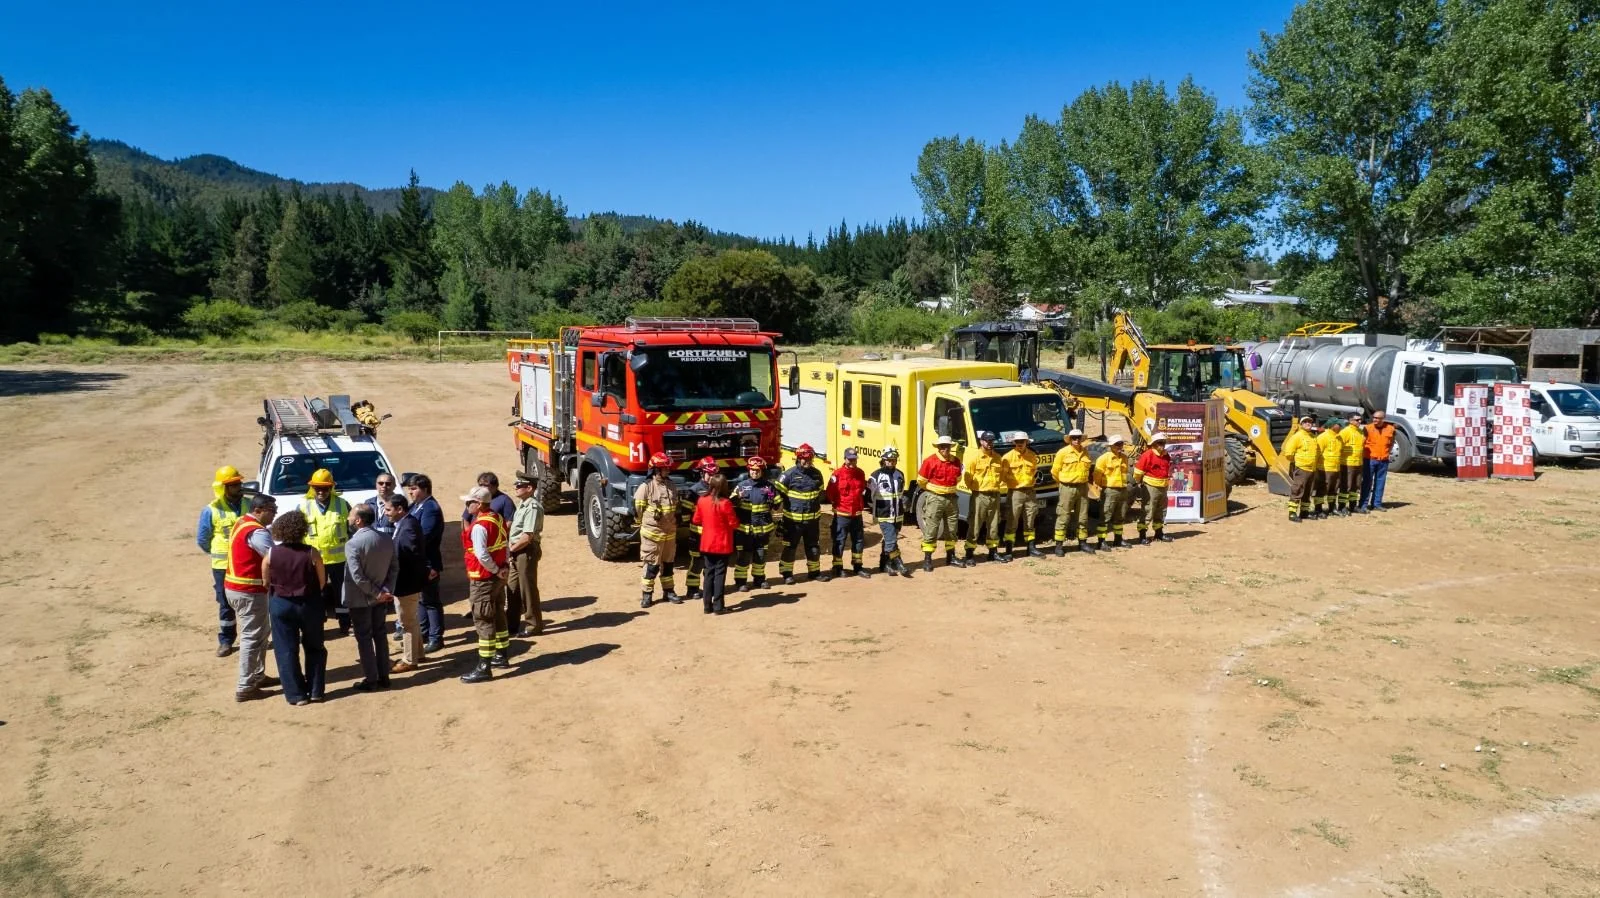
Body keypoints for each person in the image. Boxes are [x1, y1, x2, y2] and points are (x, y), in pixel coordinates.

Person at [263, 510, 328, 706]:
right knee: (315, 647)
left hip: (281, 604)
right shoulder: (311, 552)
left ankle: (296, 695)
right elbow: (322, 581)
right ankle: (316, 691)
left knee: (285, 650)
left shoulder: (271, 553)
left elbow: (265, 581)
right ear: (302, 530)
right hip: (309, 604)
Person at [223, 494, 279, 702]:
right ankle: (245, 686)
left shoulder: (242, 522)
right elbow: (274, 557)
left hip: (239, 588)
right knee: (252, 637)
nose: (275, 514)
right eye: (272, 510)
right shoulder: (256, 532)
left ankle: (257, 676)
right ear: (259, 510)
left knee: (260, 633)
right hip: (249, 591)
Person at [344, 504, 398, 692]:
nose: (349, 519)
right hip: (381, 597)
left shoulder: (353, 544)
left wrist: (376, 593)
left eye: (351, 516)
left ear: (358, 520)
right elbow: (394, 568)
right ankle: (384, 677)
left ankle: (371, 679)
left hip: (361, 599)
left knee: (365, 638)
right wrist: (385, 591)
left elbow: (357, 576)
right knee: (380, 635)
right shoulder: (385, 539)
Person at [459, 486, 510, 683]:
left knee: (483, 619)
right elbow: (504, 545)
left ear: (479, 504)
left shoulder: (480, 526)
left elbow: (482, 555)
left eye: (469, 502)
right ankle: (501, 654)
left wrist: (496, 570)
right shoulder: (497, 518)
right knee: (498, 612)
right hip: (497, 577)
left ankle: (484, 667)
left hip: (484, 579)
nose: (466, 506)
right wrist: (503, 567)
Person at [198, 465, 248, 656]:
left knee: (250, 601)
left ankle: (250, 639)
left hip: (246, 564)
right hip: (223, 566)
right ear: (223, 487)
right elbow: (203, 540)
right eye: (233, 484)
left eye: (238, 482)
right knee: (226, 604)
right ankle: (226, 640)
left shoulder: (250, 505)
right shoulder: (211, 510)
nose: (238, 486)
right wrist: (220, 553)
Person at [299, 468, 353, 637]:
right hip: (315, 561)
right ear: (312, 488)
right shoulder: (303, 506)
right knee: (317, 594)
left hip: (339, 559)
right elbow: (298, 534)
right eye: (317, 488)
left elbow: (351, 531)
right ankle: (318, 625)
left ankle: (345, 624)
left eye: (325, 487)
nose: (321, 491)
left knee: (341, 593)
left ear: (331, 487)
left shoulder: (342, 504)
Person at [403, 474, 446, 653]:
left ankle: (436, 638)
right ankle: (425, 633)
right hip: (418, 562)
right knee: (421, 600)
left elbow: (425, 536)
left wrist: (406, 546)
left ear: (425, 489)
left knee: (430, 601)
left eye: (414, 489)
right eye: (409, 489)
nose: (410, 492)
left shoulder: (431, 508)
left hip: (428, 562)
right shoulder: (416, 506)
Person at [385, 493, 427, 673]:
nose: (386, 513)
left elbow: (410, 556)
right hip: (408, 582)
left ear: (399, 509)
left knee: (406, 622)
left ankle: (409, 659)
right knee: (412, 619)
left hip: (406, 583)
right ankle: (418, 653)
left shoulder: (408, 526)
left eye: (388, 509)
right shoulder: (406, 523)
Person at [634, 453, 681, 607]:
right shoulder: (646, 486)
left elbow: (676, 506)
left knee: (668, 564)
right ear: (655, 470)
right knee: (651, 566)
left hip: (669, 533)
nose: (667, 470)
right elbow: (638, 508)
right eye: (664, 468)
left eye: (668, 468)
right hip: (652, 534)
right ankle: (647, 595)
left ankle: (669, 592)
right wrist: (645, 523)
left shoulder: (671, 485)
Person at [777, 444, 827, 584]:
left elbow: (820, 493)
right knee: (790, 548)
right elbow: (777, 496)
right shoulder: (788, 475)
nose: (807, 461)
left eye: (810, 458)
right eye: (804, 459)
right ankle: (787, 574)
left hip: (812, 521)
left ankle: (814, 572)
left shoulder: (817, 474)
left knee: (813, 548)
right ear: (798, 458)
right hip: (793, 522)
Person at [916, 434, 966, 571]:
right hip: (935, 498)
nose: (945, 449)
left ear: (951, 447)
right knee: (932, 529)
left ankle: (951, 557)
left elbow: (958, 478)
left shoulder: (956, 461)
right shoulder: (930, 461)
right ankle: (927, 560)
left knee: (952, 529)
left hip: (951, 498)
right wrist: (932, 491)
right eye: (942, 446)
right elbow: (921, 480)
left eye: (947, 446)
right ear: (938, 448)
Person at [692, 474, 739, 614]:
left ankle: (707, 606)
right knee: (719, 575)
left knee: (708, 574)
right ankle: (718, 606)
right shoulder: (725, 503)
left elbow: (696, 520)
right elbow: (733, 523)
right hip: (722, 545)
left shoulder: (702, 500)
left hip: (707, 543)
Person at [506, 473, 545, 637]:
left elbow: (527, 537)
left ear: (529, 488)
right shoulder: (522, 505)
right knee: (512, 588)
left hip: (525, 551)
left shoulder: (532, 507)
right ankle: (511, 625)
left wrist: (512, 550)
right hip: (516, 550)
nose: (516, 487)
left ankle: (533, 625)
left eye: (519, 484)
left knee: (527, 589)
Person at [732, 457, 779, 591]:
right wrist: (737, 498)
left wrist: (772, 497)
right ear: (749, 470)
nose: (754, 473)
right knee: (744, 556)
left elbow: (777, 505)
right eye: (752, 470)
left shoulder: (769, 486)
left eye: (757, 470)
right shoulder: (741, 486)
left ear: (762, 471)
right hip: (745, 530)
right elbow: (730, 504)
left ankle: (759, 580)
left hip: (762, 529)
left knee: (761, 555)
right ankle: (740, 582)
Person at [963, 430, 1010, 564]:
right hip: (980, 495)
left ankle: (993, 552)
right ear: (981, 441)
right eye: (987, 441)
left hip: (994, 495)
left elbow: (1001, 476)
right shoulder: (974, 458)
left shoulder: (997, 458)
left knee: (994, 525)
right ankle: (969, 554)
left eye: (991, 441)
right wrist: (976, 489)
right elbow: (968, 477)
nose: (989, 443)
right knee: (975, 525)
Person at [825, 448, 872, 579]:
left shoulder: (860, 473)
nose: (852, 461)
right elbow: (830, 493)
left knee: (858, 541)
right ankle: (838, 567)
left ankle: (858, 566)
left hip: (856, 514)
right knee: (839, 541)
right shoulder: (837, 474)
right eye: (849, 459)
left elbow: (862, 489)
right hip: (842, 514)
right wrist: (839, 505)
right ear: (845, 459)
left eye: (854, 459)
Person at [867, 446, 912, 577]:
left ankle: (884, 563)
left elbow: (901, 492)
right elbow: (870, 495)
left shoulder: (900, 474)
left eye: (894, 460)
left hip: (898, 514)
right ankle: (898, 563)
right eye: (889, 460)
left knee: (889, 539)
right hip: (884, 513)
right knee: (891, 539)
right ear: (883, 460)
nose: (892, 462)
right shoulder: (876, 476)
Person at [679, 457, 718, 601]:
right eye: (709, 474)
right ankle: (692, 589)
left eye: (714, 474)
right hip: (697, 534)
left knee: (710, 563)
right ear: (702, 473)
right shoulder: (694, 491)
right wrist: (690, 526)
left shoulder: (718, 489)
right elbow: (685, 512)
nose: (711, 477)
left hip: (712, 535)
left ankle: (709, 587)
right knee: (696, 561)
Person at [1051, 428, 1095, 556]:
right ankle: (1059, 545)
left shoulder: (1086, 452)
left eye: (1078, 438)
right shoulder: (1062, 452)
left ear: (1081, 439)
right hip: (1067, 488)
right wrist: (1064, 484)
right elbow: (1055, 471)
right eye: (1073, 438)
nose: (1076, 440)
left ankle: (1082, 543)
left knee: (1082, 516)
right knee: (1063, 516)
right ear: (1069, 439)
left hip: (1082, 487)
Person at [1003, 432, 1044, 558]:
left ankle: (1031, 548)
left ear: (1027, 442)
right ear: (1014, 443)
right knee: (1012, 521)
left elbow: (1034, 472)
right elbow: (1003, 476)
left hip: (1030, 492)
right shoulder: (1007, 457)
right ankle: (1009, 550)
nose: (1020, 444)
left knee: (1030, 520)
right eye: (1017, 441)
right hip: (1015, 492)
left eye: (1022, 441)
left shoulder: (1032, 456)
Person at [1092, 435, 1133, 550]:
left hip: (1122, 490)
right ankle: (1101, 542)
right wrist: (1101, 485)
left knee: (1120, 516)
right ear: (1111, 446)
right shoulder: (1104, 458)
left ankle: (1118, 540)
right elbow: (1096, 475)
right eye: (1117, 444)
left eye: (1121, 443)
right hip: (1110, 490)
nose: (1120, 446)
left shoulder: (1124, 458)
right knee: (1106, 516)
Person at [1133, 433, 1174, 544]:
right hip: (1151, 486)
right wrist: (1139, 482)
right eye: (1160, 443)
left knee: (1160, 511)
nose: (1162, 445)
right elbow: (1138, 472)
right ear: (1154, 444)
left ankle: (1159, 533)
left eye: (1163, 443)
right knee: (1148, 510)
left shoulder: (1166, 455)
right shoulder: (1148, 455)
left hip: (1163, 486)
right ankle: (1142, 535)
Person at [1281, 416, 1320, 522]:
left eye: (1310, 422)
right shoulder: (1297, 437)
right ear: (1301, 424)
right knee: (1297, 490)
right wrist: (1297, 462)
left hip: (1312, 469)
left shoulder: (1313, 437)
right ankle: (1292, 513)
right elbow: (1288, 453)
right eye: (1305, 422)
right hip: (1302, 468)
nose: (1308, 423)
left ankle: (1304, 512)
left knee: (1308, 492)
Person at [1361, 410, 1397, 511]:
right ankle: (1363, 505)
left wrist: (1387, 453)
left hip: (1383, 460)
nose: (1375, 420)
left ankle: (1377, 504)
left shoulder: (1391, 429)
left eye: (1377, 418)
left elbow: (1392, 442)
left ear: (1383, 419)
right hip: (1370, 459)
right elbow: (1362, 443)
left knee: (1380, 482)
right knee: (1367, 482)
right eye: (1374, 418)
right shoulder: (1367, 428)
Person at [1315, 418, 1345, 517]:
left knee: (1334, 489)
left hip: (1336, 469)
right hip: (1324, 469)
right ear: (1332, 426)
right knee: (1322, 490)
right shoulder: (1322, 437)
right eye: (1339, 425)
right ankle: (1318, 509)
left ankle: (1332, 508)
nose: (1341, 427)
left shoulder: (1339, 438)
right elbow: (1317, 453)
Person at [1340, 412, 1367, 514]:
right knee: (1346, 486)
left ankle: (1352, 506)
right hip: (1347, 464)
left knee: (1356, 486)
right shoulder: (1345, 432)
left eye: (1360, 419)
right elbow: (1339, 446)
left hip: (1358, 463)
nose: (1360, 421)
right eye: (1357, 420)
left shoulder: (1360, 432)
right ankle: (1342, 506)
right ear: (1350, 420)